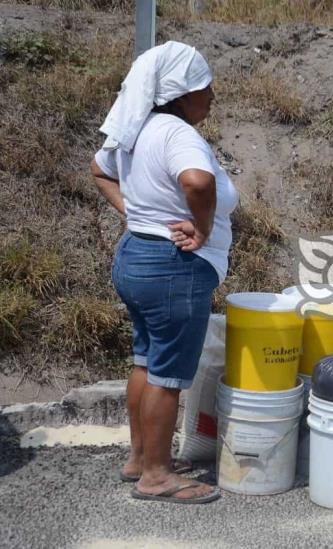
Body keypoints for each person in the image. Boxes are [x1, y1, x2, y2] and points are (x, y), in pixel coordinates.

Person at [90, 41, 239, 503]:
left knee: (146, 360)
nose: (212, 97)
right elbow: (198, 181)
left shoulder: (137, 129)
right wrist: (203, 227)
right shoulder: (177, 134)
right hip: (174, 269)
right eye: (206, 88)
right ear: (181, 93)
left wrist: (134, 215)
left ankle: (139, 458)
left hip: (137, 256)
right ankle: (157, 475)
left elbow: (99, 169)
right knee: (169, 374)